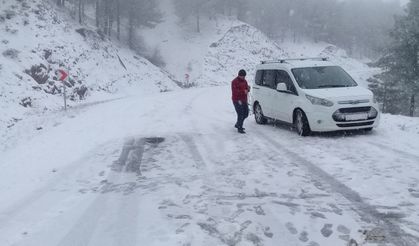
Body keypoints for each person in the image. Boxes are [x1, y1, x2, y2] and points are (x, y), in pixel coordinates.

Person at [231, 69, 250, 134]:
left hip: (244, 100)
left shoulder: (245, 81)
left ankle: (238, 123)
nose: (244, 77)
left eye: (244, 76)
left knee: (246, 113)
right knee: (241, 113)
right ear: (239, 75)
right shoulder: (234, 82)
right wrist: (243, 91)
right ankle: (240, 127)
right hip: (237, 100)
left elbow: (246, 88)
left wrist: (248, 89)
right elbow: (235, 92)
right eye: (243, 76)